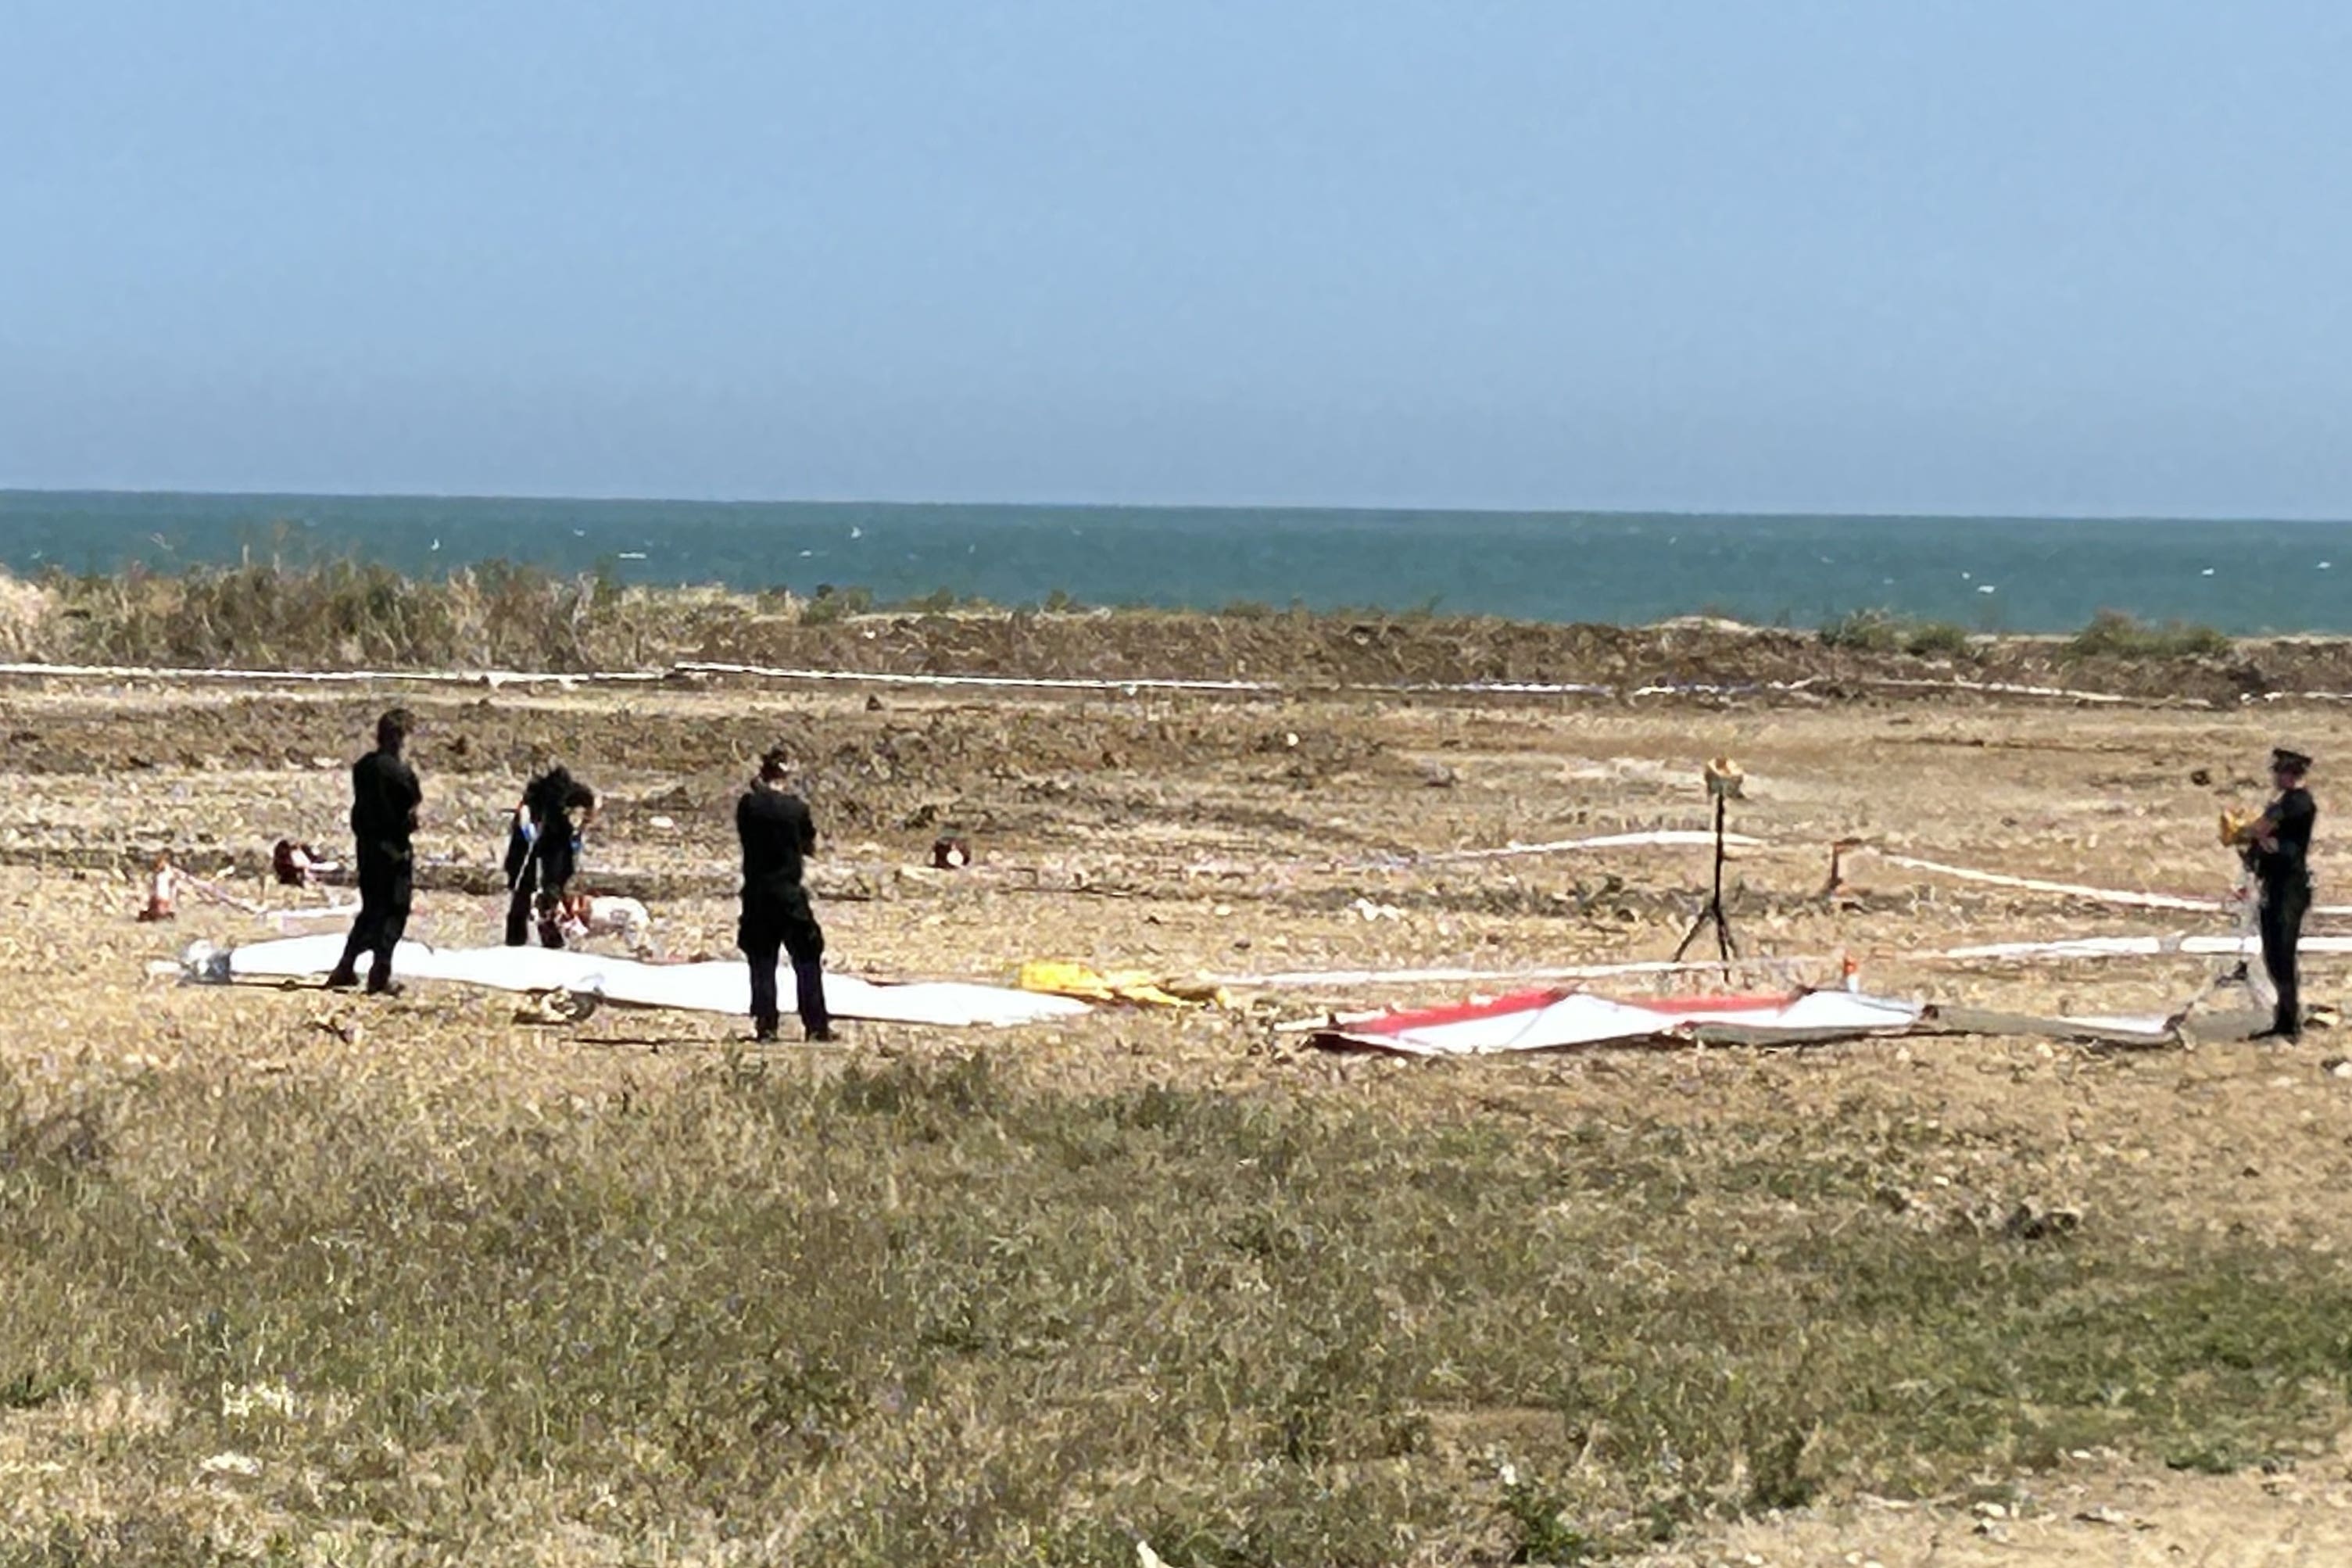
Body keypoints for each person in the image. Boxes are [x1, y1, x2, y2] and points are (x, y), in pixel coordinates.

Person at [736, 746, 832, 1042]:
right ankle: (815, 1025)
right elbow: (810, 847)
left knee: (762, 959)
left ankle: (766, 1026)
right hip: (789, 892)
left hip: (757, 892)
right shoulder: (796, 809)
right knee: (807, 955)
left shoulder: (749, 806)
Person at [327, 708, 421, 994]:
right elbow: (409, 806)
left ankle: (346, 965)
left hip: (367, 847)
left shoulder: (364, 767)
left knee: (371, 910)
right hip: (393, 850)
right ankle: (380, 972)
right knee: (394, 909)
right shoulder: (400, 773)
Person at [2246, 746, 2318, 1041]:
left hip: (2289, 887)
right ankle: (2284, 1018)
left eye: (2279, 771)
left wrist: (2259, 833)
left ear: (2290, 774)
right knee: (2273, 954)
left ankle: (2289, 1022)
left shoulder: (2298, 802)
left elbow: (2262, 828)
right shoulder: (2284, 802)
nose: (2275, 776)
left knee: (2283, 955)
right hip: (2274, 883)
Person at [504, 765, 598, 947]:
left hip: (553, 844)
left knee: (551, 891)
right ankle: (518, 940)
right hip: (530, 846)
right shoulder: (538, 810)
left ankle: (548, 936)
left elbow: (563, 860)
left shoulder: (563, 820)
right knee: (525, 891)